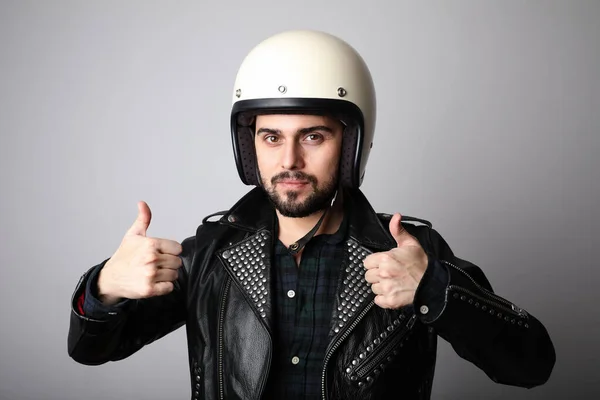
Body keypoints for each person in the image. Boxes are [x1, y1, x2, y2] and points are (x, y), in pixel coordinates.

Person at [67, 30, 556, 400]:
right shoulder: (211, 256)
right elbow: (91, 350)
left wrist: (434, 290)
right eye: (271, 137)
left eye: (314, 136)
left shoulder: (410, 254)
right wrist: (104, 287)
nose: (289, 162)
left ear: (350, 146)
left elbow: (530, 365)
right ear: (248, 146)